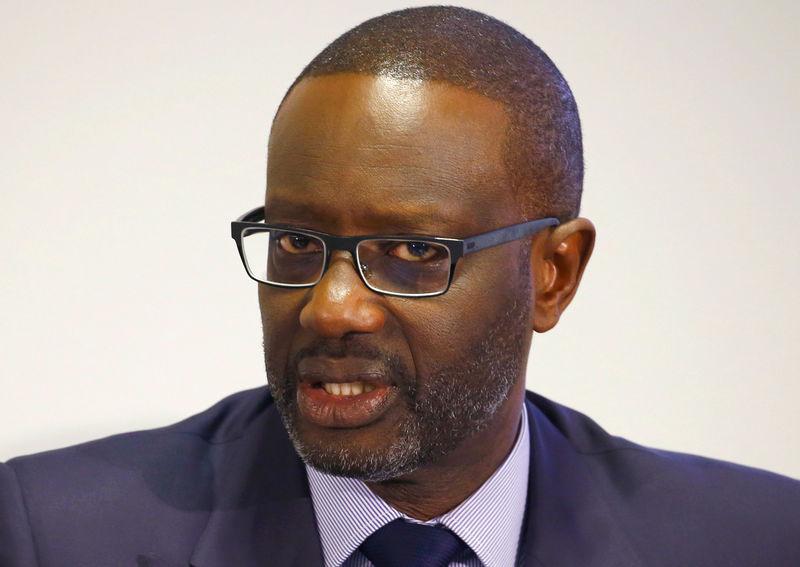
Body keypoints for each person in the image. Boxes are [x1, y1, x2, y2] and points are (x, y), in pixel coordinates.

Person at [1, 6, 798, 567]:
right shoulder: (52, 534)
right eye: (297, 241)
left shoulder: (757, 540)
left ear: (553, 274)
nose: (330, 306)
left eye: (413, 250)